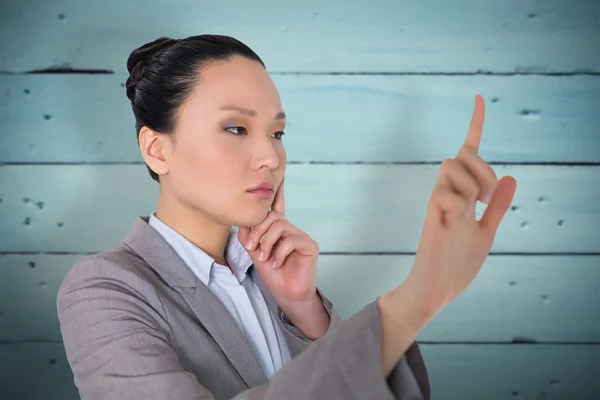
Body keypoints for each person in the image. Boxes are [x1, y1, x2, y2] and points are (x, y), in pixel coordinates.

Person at [56, 34, 517, 400]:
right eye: (236, 128)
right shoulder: (104, 289)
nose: (271, 157)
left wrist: (306, 314)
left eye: (277, 132)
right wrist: (418, 296)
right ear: (157, 149)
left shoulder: (280, 283)